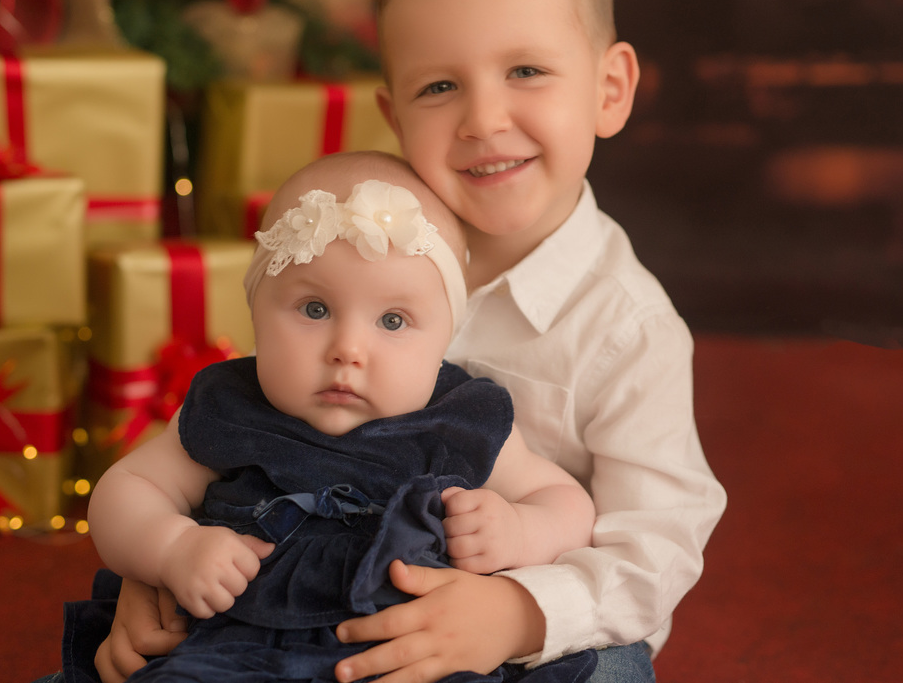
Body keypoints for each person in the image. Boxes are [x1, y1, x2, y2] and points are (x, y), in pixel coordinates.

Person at [84, 0, 727, 683]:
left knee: (615, 669)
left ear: (609, 89)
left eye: (526, 69)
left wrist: (516, 613)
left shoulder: (628, 328)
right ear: (394, 115)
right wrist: (166, 564)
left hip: (519, 616)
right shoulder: (358, 245)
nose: (483, 118)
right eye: (440, 86)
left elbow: (655, 549)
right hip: (317, 585)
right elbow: (251, 439)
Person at [83, 151, 600, 683]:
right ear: (256, 311)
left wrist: (518, 529)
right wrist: (172, 547)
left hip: (410, 657)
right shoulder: (230, 407)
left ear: (446, 337)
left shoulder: (458, 420)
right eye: (315, 309)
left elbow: (566, 504)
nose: (348, 349)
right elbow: (127, 487)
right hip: (238, 650)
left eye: (393, 320)